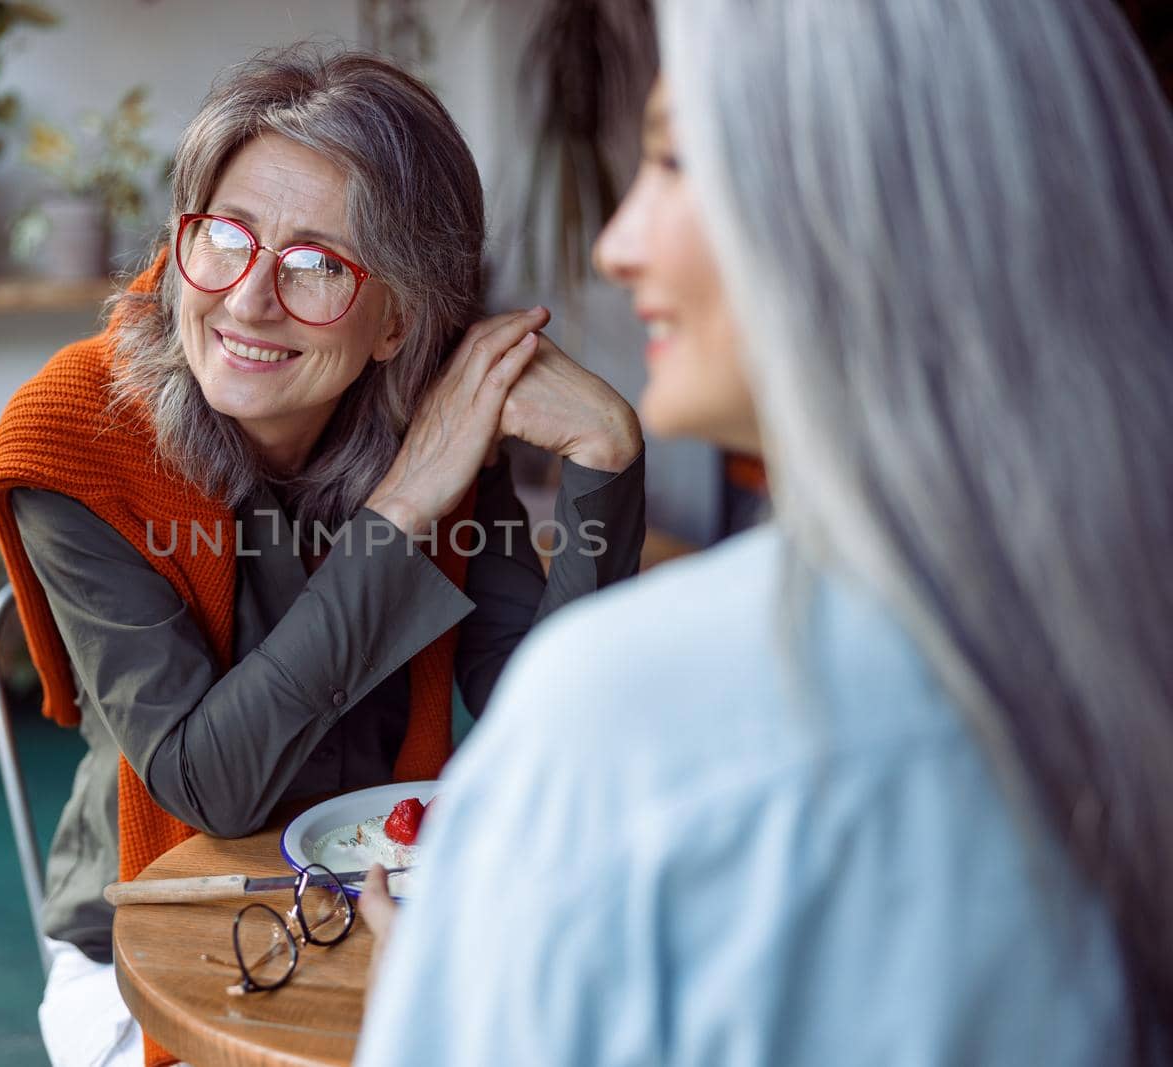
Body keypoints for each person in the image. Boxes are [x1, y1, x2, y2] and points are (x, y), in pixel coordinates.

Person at [355, 0, 1173, 1063]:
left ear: (880, 194)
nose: (614, 244)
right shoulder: (1122, 642)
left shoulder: (626, 714)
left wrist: (450, 979)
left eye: (676, 159)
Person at [0, 45, 647, 1067]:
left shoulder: (441, 410)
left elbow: (550, 725)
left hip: (387, 900)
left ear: (399, 318)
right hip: (156, 922)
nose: (247, 301)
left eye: (317, 266)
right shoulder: (78, 432)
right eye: (225, 239)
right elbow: (212, 784)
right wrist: (406, 504)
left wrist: (608, 460)